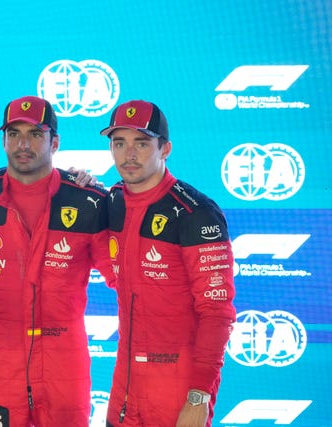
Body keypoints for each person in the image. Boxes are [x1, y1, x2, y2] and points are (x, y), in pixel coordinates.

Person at [0, 95, 113, 427]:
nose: (24, 144)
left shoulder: (86, 201)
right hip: (0, 365)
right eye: (14, 134)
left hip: (65, 366)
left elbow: (128, 278)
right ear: (3, 140)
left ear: (55, 142)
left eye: (36, 134)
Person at [101, 100, 236, 427]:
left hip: (176, 388)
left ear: (165, 149)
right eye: (120, 143)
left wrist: (198, 397)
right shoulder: (113, 202)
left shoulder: (196, 213)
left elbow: (217, 312)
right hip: (125, 385)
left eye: (142, 143)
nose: (129, 154)